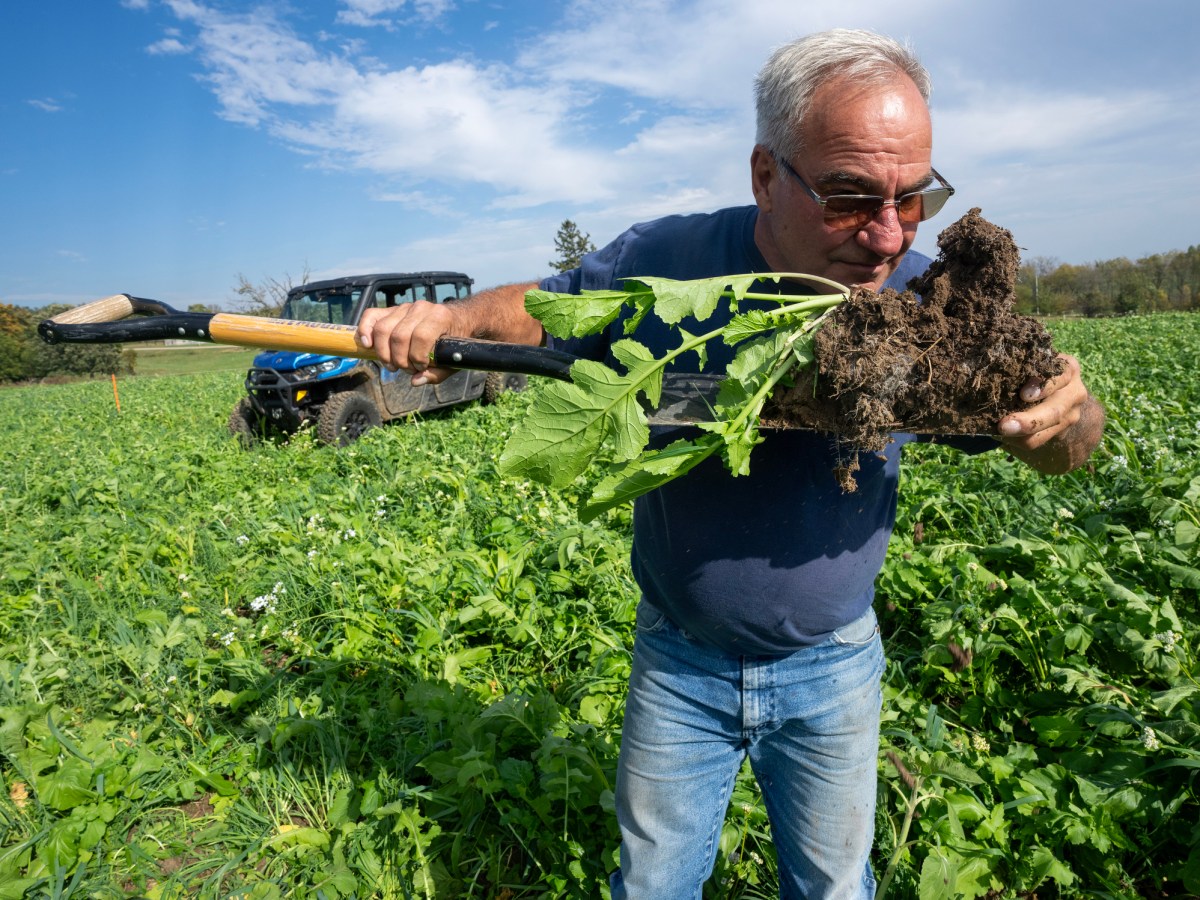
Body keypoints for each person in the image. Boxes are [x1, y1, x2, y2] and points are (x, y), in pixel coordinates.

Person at [357, 28, 1105, 899]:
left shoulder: (930, 307)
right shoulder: (670, 262)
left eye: (916, 198)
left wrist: (1068, 419)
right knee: (653, 884)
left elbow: (1068, 445)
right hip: (680, 661)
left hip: (835, 667)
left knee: (833, 887)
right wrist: (453, 327)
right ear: (765, 176)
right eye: (849, 196)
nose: (887, 235)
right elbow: (546, 310)